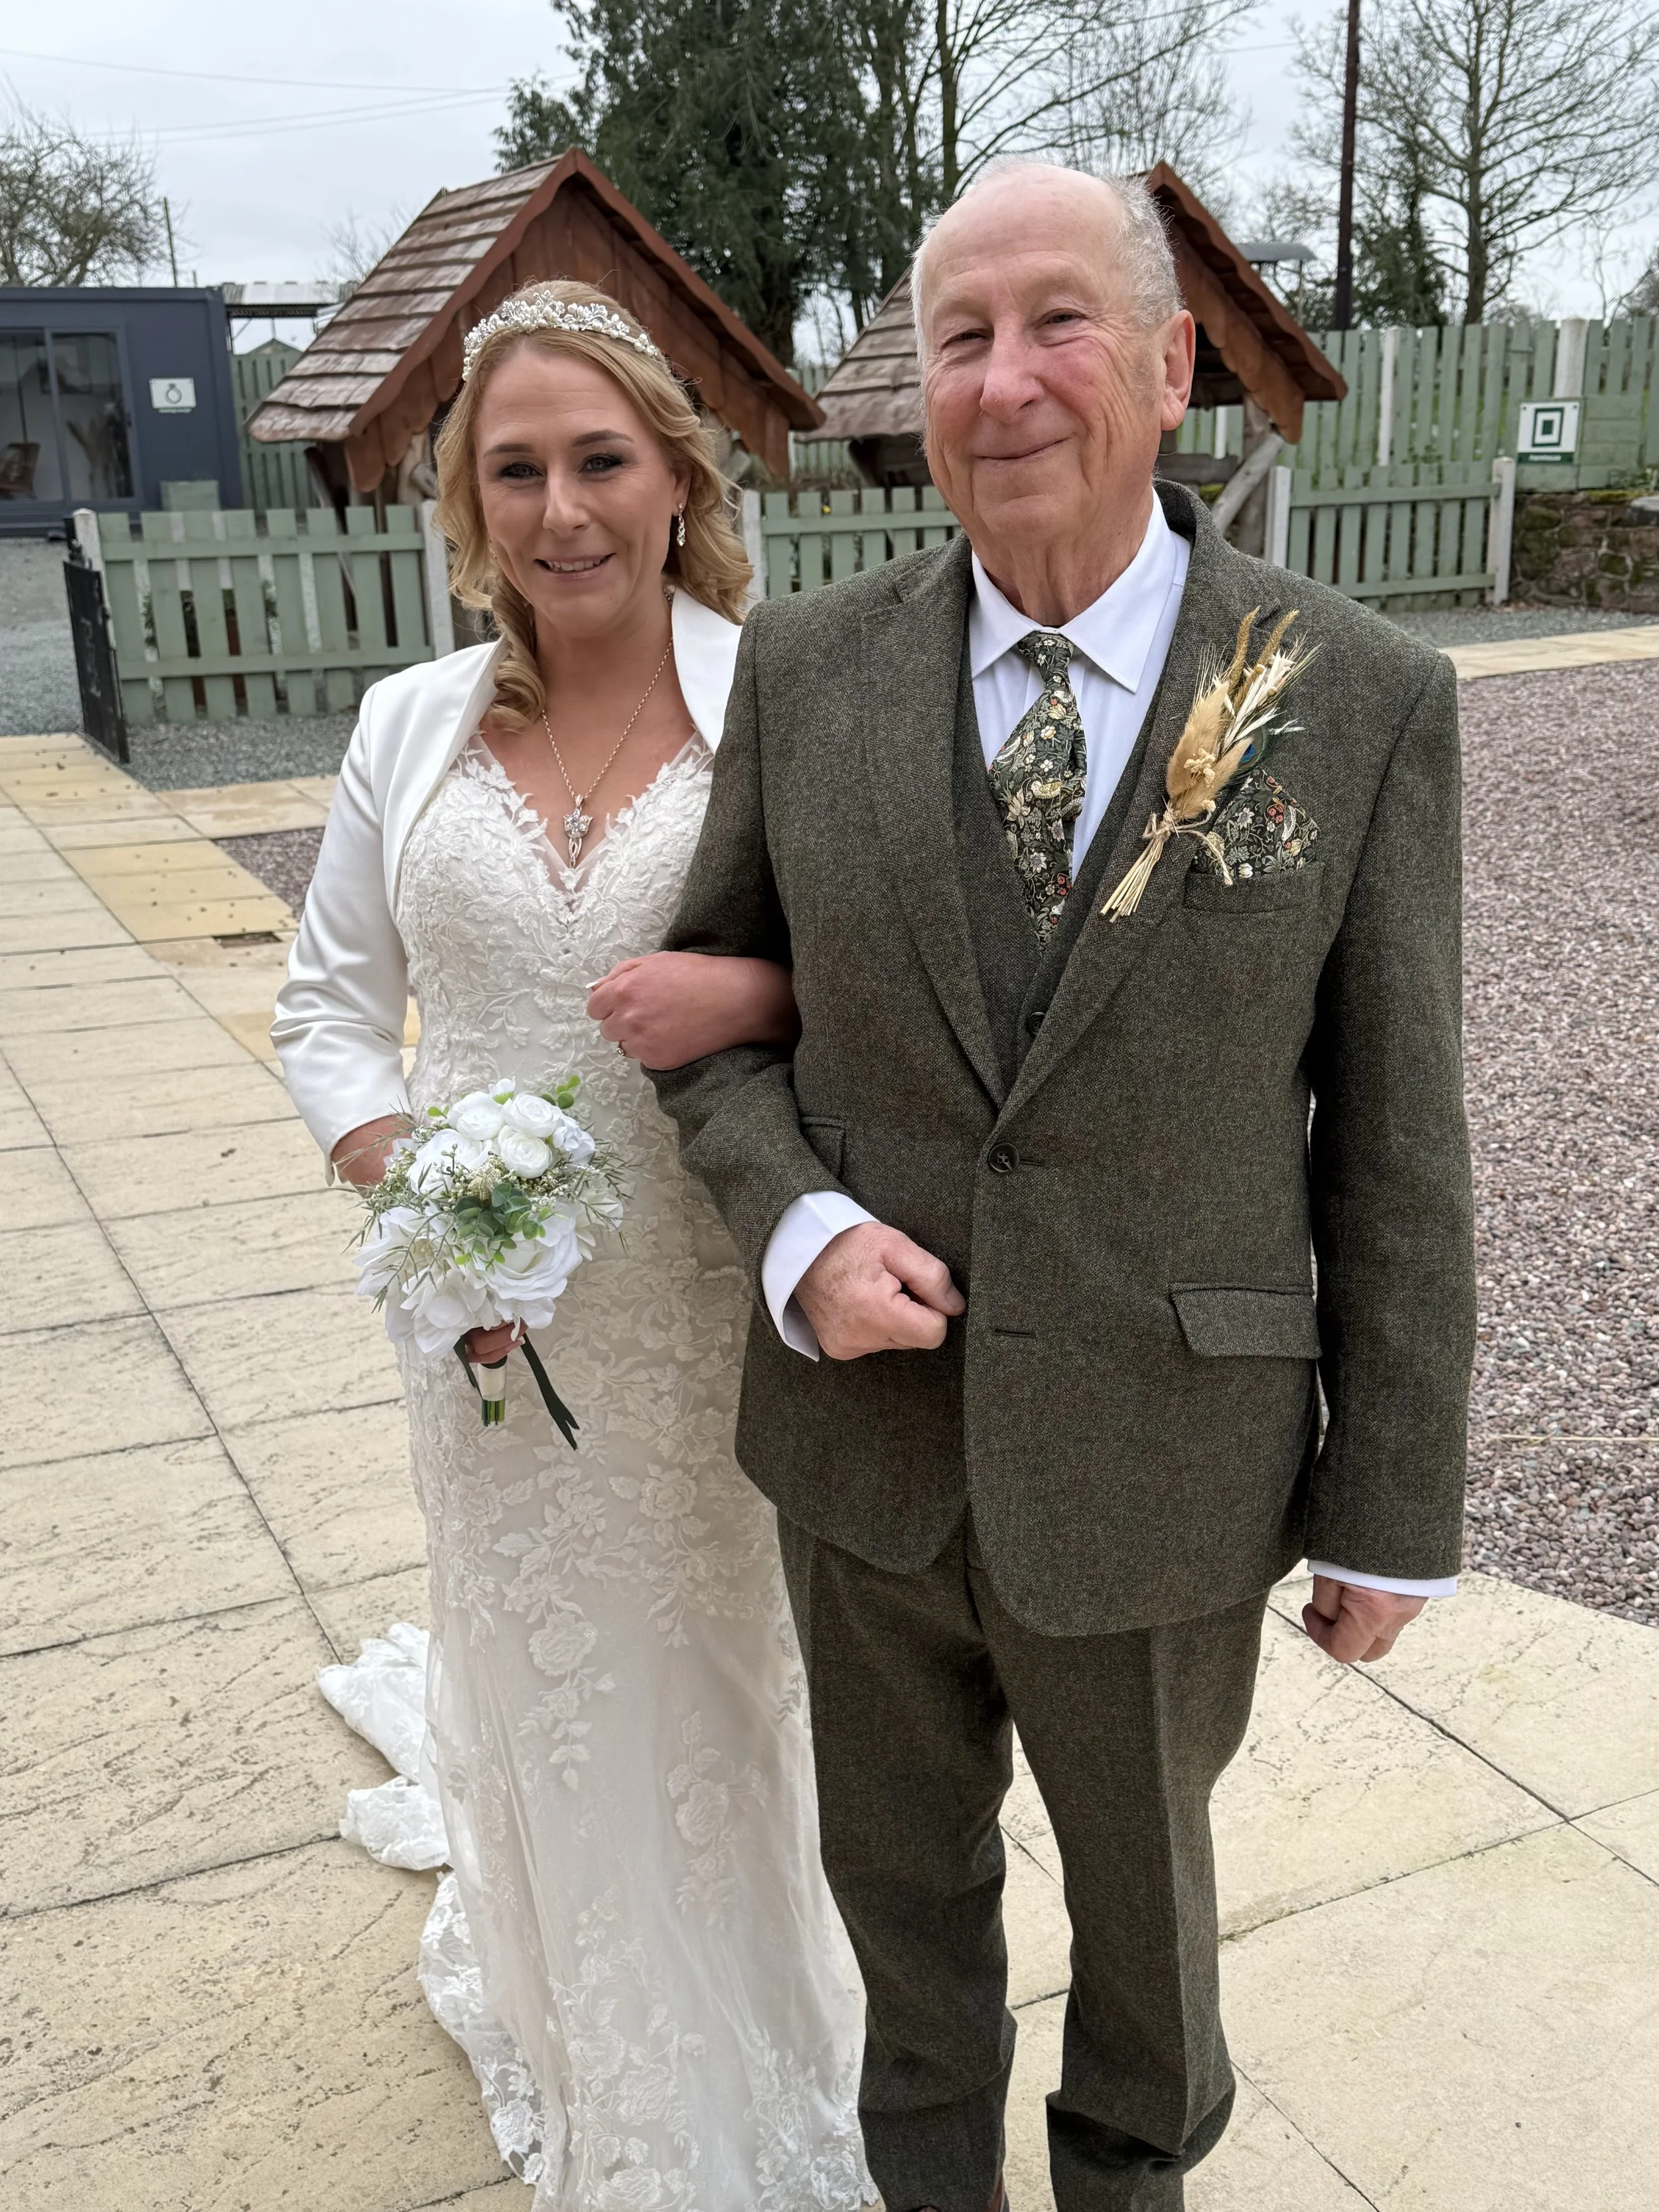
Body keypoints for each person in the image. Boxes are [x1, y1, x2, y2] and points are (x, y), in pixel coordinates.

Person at [650, 165, 1476, 2212]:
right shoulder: (808, 670)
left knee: (1149, 1964)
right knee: (904, 1939)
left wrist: (1396, 1500)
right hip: (862, 1462)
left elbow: (1393, 1132)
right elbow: (712, 1025)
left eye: (1055, 324)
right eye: (957, 338)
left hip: (1163, 1467)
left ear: (1173, 363)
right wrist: (800, 1226)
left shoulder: (1354, 694)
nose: (1002, 382)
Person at [273, 280, 872, 2212]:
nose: (559, 510)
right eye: (511, 469)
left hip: (715, 1299)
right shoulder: (405, 726)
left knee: (716, 1673)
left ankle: (747, 2049)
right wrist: (414, 1195)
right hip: (482, 1327)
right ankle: (587, 2032)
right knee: (541, 1681)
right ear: (466, 502)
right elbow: (328, 1012)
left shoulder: (775, 698)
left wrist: (748, 991)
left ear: (674, 480)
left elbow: (876, 995)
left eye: (597, 459)